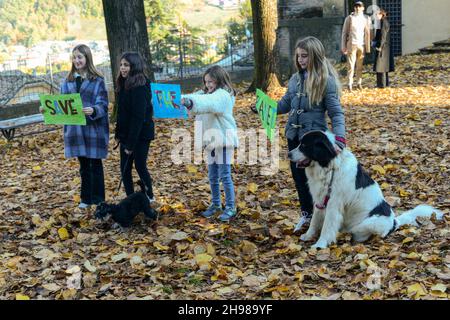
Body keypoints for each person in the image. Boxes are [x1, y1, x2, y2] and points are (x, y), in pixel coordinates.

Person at [277, 36, 346, 231]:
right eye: (298, 56)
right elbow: (284, 104)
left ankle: (322, 218)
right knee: (299, 180)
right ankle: (306, 215)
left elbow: (336, 113)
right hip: (294, 137)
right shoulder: (294, 79)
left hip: (313, 142)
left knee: (316, 182)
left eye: (305, 56)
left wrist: (339, 138)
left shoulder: (326, 82)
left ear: (315, 55)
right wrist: (264, 106)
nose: (300, 60)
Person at [44, 44, 109, 209]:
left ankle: (99, 199)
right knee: (83, 166)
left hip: (93, 129)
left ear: (87, 58)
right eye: (74, 57)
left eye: (80, 57)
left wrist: (94, 109)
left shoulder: (98, 80)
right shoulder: (67, 82)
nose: (77, 60)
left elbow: (103, 104)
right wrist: (47, 109)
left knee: (95, 164)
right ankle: (85, 199)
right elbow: (61, 106)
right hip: (76, 131)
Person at [181, 65, 239, 222]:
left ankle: (231, 207)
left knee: (224, 175)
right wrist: (180, 99)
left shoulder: (222, 95)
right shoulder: (207, 94)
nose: (208, 85)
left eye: (211, 82)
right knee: (212, 176)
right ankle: (216, 204)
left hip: (223, 140)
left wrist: (190, 102)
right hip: (211, 141)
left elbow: (207, 103)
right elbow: (196, 97)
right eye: (206, 82)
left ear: (219, 81)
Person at [114, 52, 155, 202]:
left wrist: (130, 144)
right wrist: (119, 135)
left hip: (141, 134)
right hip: (126, 134)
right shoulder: (123, 84)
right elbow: (122, 114)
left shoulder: (140, 86)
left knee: (140, 165)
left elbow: (138, 117)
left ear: (134, 66)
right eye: (121, 65)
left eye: (126, 65)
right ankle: (131, 199)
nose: (123, 68)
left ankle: (149, 197)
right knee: (124, 169)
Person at [341, 1, 371, 91]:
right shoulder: (349, 18)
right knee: (351, 66)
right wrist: (343, 46)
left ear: (363, 8)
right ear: (354, 8)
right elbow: (344, 33)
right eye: (356, 6)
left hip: (361, 45)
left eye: (359, 6)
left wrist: (368, 45)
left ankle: (359, 83)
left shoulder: (366, 18)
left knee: (360, 66)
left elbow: (368, 32)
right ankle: (349, 84)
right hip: (352, 44)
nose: (358, 8)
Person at [372, 9, 394, 88]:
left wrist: (380, 47)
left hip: (383, 48)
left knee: (380, 67)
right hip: (384, 47)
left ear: (382, 14)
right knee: (383, 67)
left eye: (378, 14)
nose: (376, 15)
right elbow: (378, 35)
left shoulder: (383, 22)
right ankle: (385, 84)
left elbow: (383, 36)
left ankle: (381, 85)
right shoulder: (382, 22)